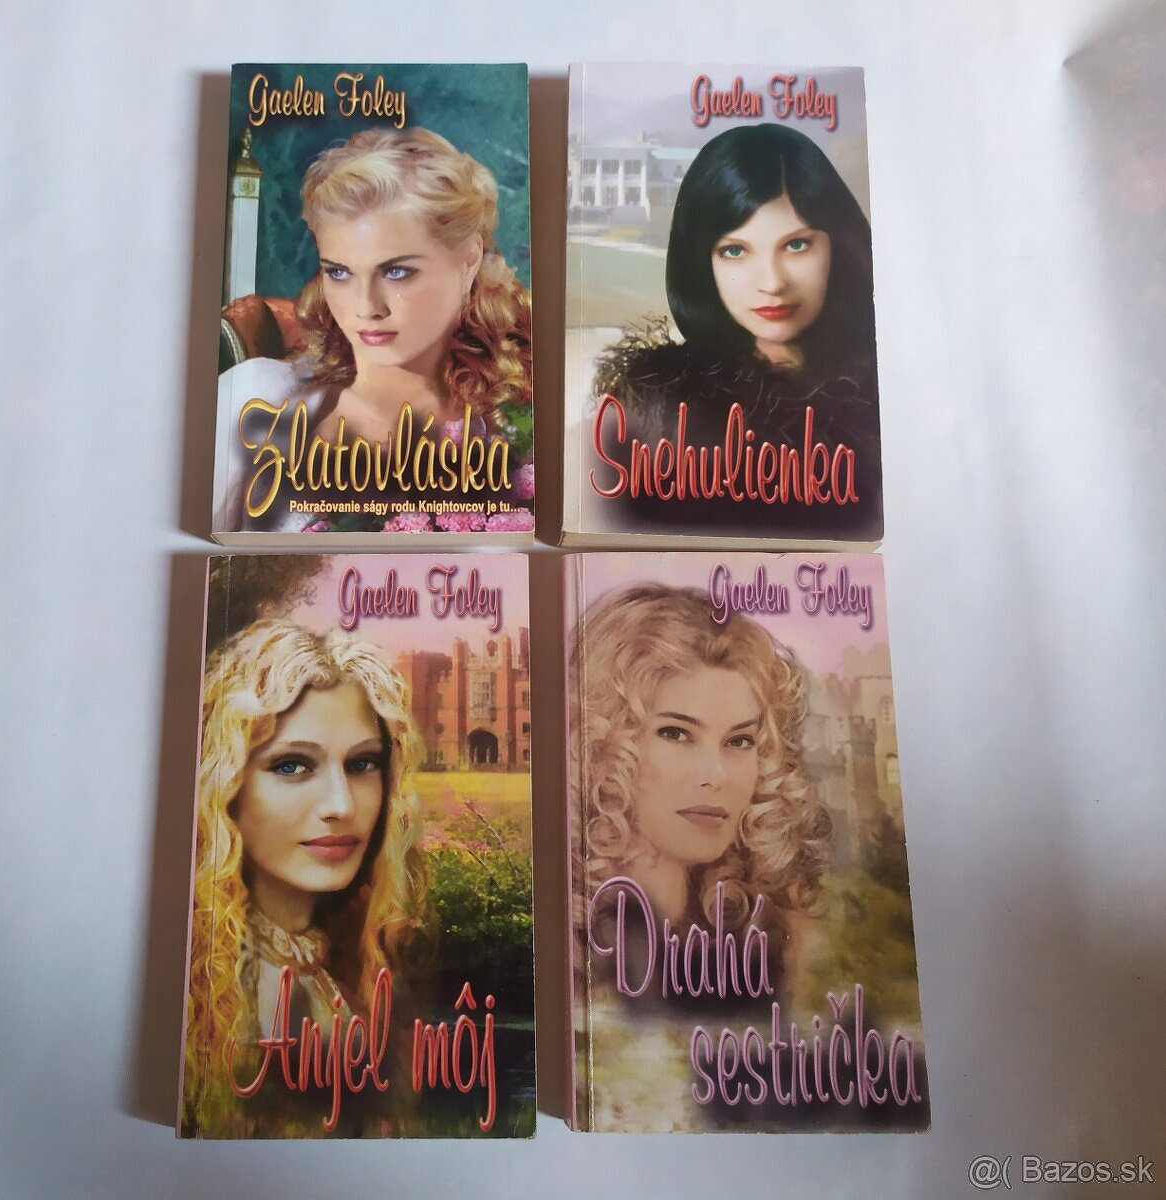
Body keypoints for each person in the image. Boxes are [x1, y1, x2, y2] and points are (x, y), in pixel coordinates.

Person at [216, 125, 532, 532]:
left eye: (396, 271)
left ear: (468, 259)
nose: (366, 307)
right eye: (340, 272)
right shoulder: (255, 395)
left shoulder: (517, 431)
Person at [182, 620, 428, 1134]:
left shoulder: (344, 963)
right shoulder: (229, 996)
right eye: (292, 766)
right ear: (225, 786)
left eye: (362, 763)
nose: (341, 806)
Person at [592, 123, 880, 536]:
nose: (772, 282)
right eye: (735, 250)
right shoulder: (658, 406)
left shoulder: (884, 394)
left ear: (837, 244)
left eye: (796, 245)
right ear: (702, 261)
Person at [568, 584, 831, 985]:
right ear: (600, 743)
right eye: (675, 734)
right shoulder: (553, 942)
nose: (716, 775)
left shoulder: (788, 948)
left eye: (739, 741)